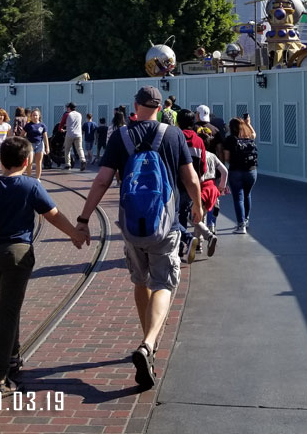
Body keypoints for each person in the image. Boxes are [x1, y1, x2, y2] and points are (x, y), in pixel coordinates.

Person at [74, 86, 202, 390]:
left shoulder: (121, 136)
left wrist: (83, 218)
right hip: (165, 223)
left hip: (132, 224)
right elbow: (191, 178)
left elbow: (103, 179)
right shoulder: (173, 135)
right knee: (164, 283)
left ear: (136, 106)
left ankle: (149, 341)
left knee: (140, 281)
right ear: (160, 107)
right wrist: (198, 207)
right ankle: (148, 344)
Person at [0, 136, 86, 393]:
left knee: (9, 304)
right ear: (27, 161)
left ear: (2, 160)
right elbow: (52, 215)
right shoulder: (30, 185)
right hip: (16, 256)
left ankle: (13, 356)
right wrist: (74, 233)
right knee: (7, 313)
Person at [176, 108, 208, 260]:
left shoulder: (176, 137)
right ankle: (202, 238)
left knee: (176, 214)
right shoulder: (199, 141)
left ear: (178, 122)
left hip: (177, 182)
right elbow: (203, 165)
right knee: (193, 212)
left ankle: (182, 244)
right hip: (193, 183)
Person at [223, 115, 258, 234]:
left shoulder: (229, 139)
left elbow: (227, 157)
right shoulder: (249, 137)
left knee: (238, 198)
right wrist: (248, 123)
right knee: (247, 195)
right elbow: (254, 134)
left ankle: (240, 225)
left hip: (236, 171)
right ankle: (246, 220)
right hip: (251, 171)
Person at [23, 108, 49, 181]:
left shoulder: (42, 125)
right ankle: (28, 178)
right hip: (30, 145)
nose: (35, 117)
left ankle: (38, 178)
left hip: (39, 144)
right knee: (29, 162)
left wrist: (47, 147)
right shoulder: (28, 125)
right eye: (33, 115)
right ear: (31, 116)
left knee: (39, 162)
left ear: (39, 116)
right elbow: (22, 135)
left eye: (36, 115)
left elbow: (45, 137)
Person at [62, 102, 85, 171]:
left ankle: (68, 164)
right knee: (79, 148)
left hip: (70, 134)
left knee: (67, 149)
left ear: (69, 108)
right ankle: (83, 160)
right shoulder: (79, 114)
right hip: (79, 134)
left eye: (67, 107)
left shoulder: (67, 114)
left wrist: (60, 128)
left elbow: (62, 122)